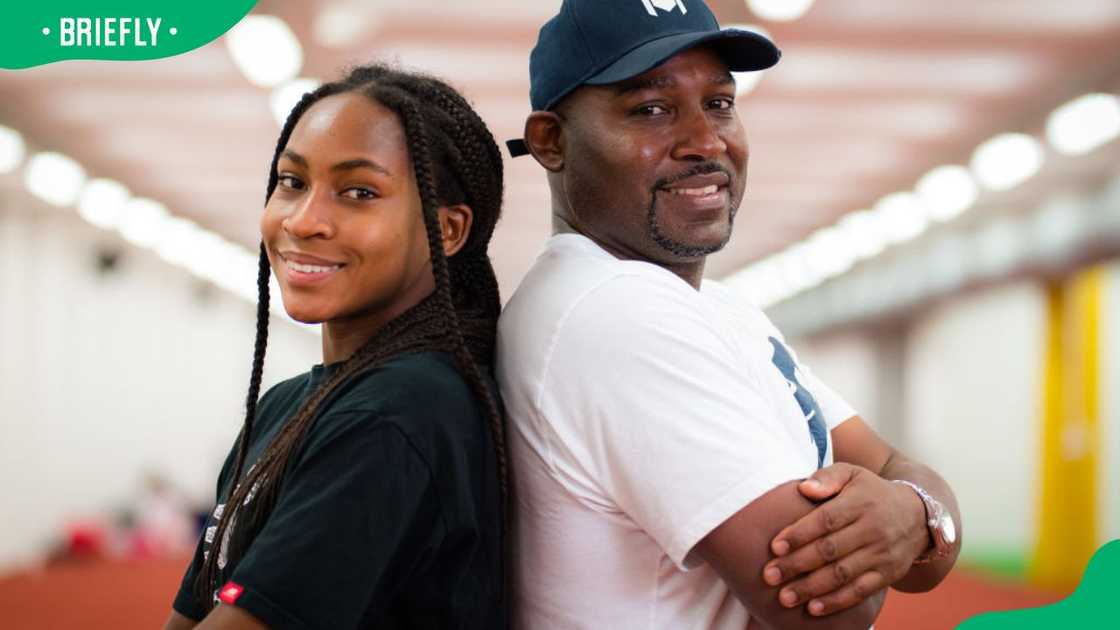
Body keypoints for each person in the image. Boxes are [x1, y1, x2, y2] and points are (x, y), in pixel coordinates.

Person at [497, 1, 961, 628]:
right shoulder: (615, 312)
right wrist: (919, 514)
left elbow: (895, 483)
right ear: (551, 141)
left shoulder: (719, 309)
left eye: (718, 103)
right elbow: (834, 611)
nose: (706, 142)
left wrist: (911, 509)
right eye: (651, 109)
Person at [163, 63, 507, 630]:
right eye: (292, 182)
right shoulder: (286, 405)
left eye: (359, 192)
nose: (304, 221)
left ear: (447, 231)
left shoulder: (397, 413)